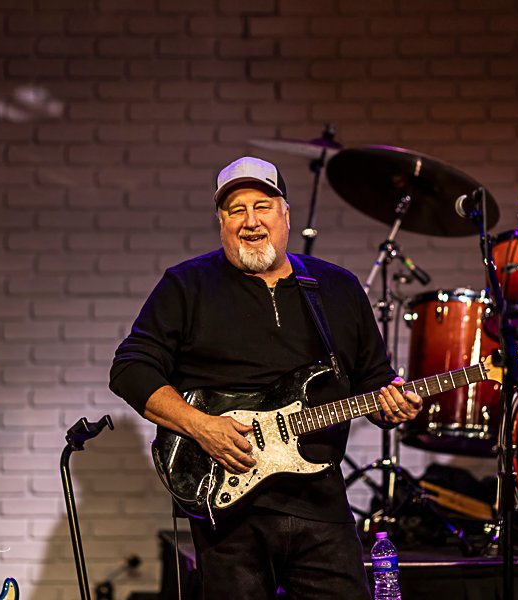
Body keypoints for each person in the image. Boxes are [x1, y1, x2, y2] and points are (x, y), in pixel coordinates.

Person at [109, 156, 423, 599]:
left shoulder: (337, 287)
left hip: (320, 502)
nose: (251, 221)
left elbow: (374, 380)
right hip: (230, 506)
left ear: (286, 215)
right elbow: (130, 368)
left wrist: (392, 405)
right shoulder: (187, 284)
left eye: (262, 206)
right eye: (236, 210)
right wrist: (202, 426)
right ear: (221, 222)